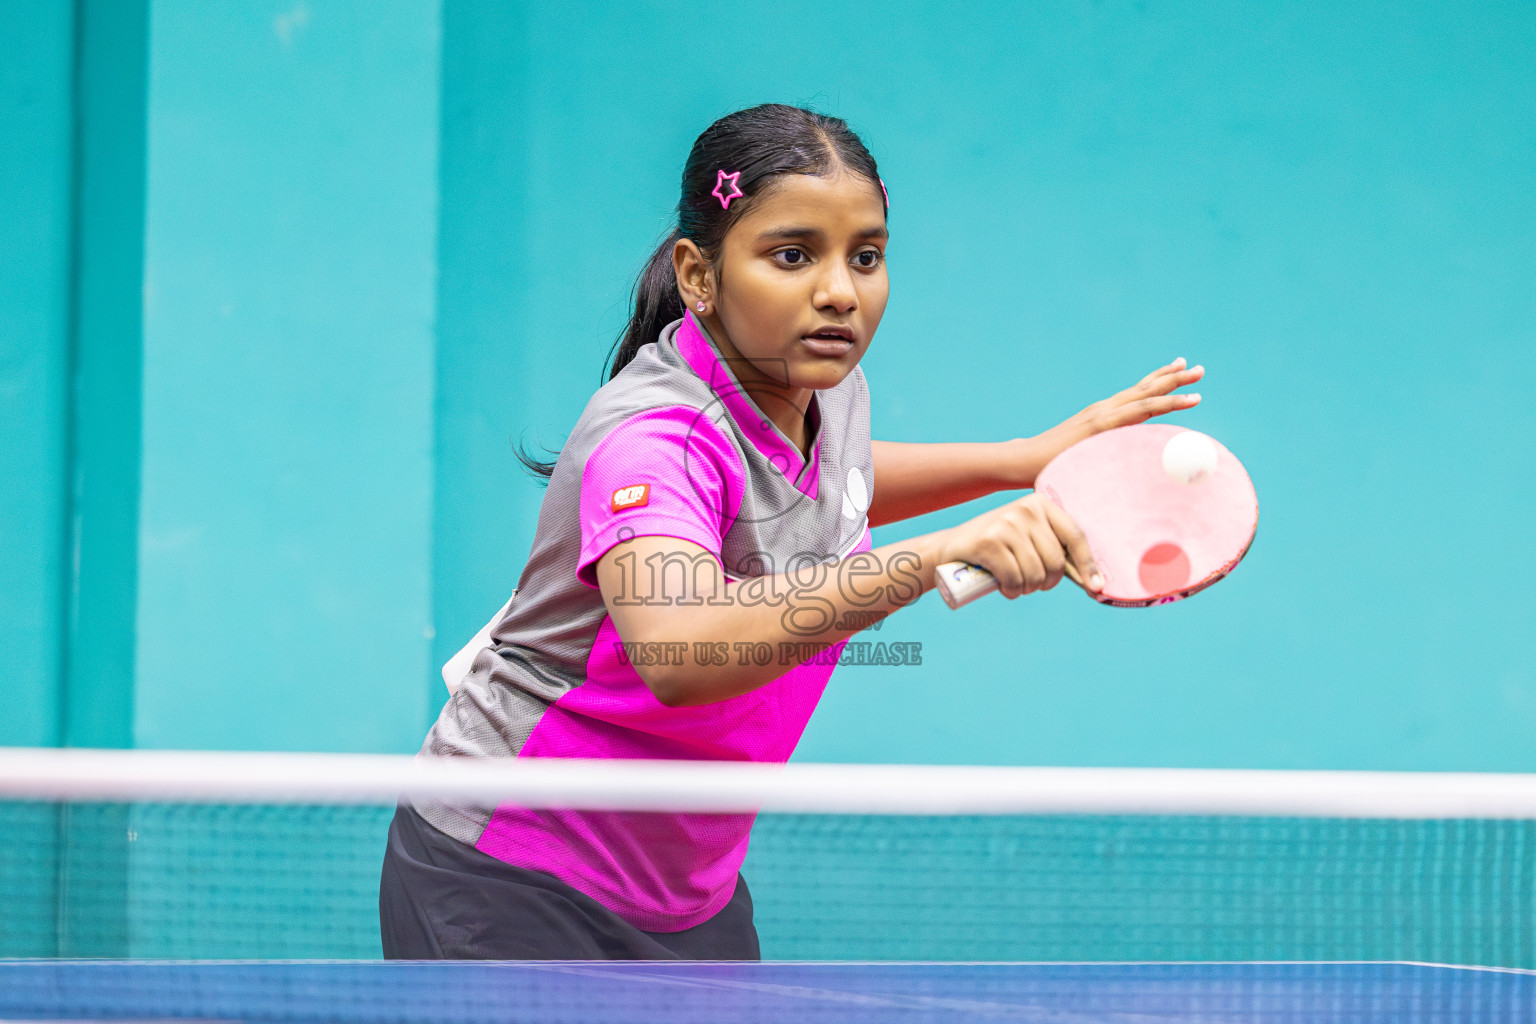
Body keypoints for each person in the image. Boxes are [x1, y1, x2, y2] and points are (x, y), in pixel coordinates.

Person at [379, 103, 1203, 960]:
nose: (841, 290)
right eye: (792, 254)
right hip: (513, 870)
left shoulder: (826, 388)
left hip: (684, 888)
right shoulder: (654, 440)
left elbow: (826, 486)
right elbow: (680, 654)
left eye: (867, 256)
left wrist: (1022, 460)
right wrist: (936, 554)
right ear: (701, 275)